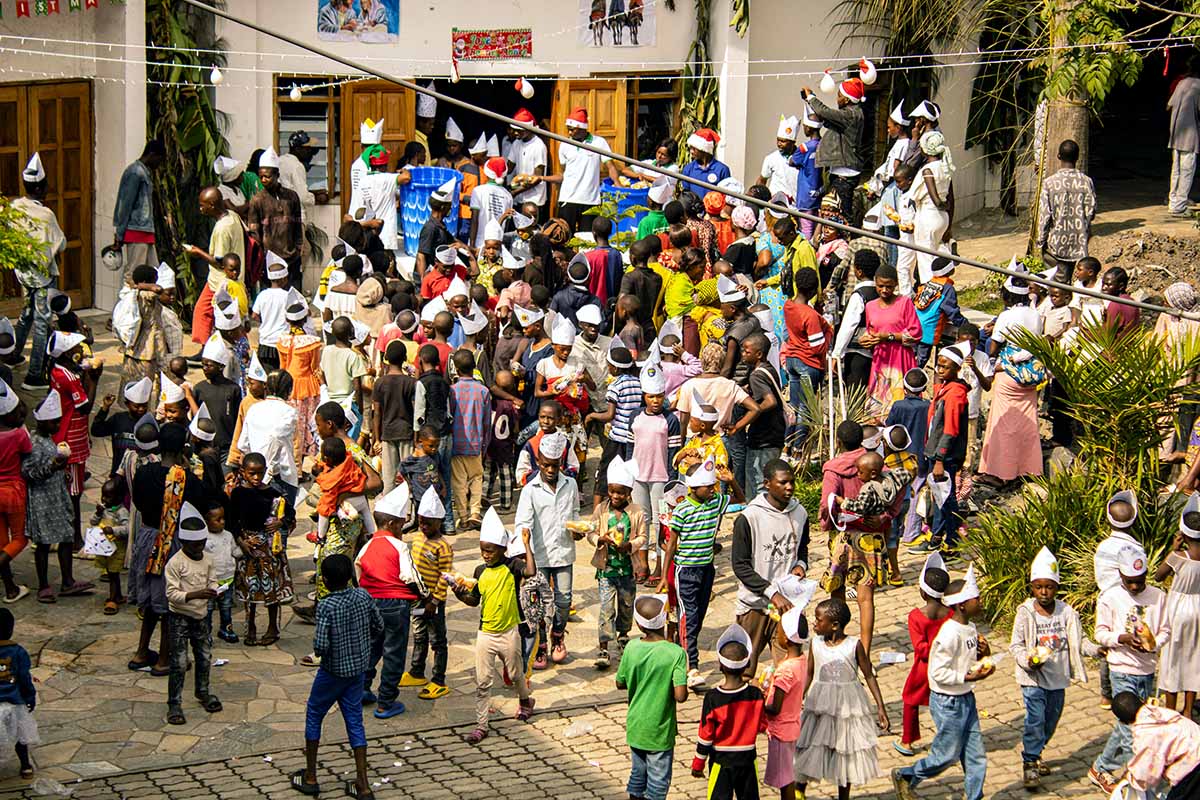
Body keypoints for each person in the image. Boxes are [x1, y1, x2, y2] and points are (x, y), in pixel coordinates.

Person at [891, 566, 993, 800]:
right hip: (948, 701)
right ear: (962, 605)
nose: (980, 602)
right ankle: (908, 775)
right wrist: (968, 677)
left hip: (966, 697)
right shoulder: (948, 634)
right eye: (976, 599)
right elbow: (937, 673)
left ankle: (974, 796)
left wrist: (984, 654)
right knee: (946, 755)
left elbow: (969, 659)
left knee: (975, 753)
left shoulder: (970, 628)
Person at [294, 554, 381, 798]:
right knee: (354, 721)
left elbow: (321, 645)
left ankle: (310, 776)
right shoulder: (363, 596)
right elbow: (378, 626)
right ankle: (362, 784)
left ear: (327, 580)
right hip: (357, 671)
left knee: (314, 714)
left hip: (332, 671)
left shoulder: (327, 605)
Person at [1089, 543, 1171, 793]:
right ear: (1120, 576)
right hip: (1121, 669)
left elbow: (1166, 630)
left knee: (1129, 723)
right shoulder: (1110, 597)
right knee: (1131, 731)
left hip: (1146, 671)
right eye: (1129, 581)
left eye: (1139, 581)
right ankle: (1143, 783)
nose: (1135, 587)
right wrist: (1122, 639)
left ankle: (1100, 767)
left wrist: (1154, 643)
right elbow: (1100, 633)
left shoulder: (1158, 597)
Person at [450, 508, 537, 744]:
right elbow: (474, 600)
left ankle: (525, 700)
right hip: (486, 634)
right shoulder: (480, 571)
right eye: (483, 550)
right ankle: (481, 725)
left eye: (490, 550)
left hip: (509, 632)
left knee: (517, 673)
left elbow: (531, 571)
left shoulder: (512, 566)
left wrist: (527, 545)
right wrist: (459, 594)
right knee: (483, 681)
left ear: (502, 549)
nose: (486, 555)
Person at [1005, 547, 1087, 789]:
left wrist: (1099, 650)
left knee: (1050, 721)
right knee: (1034, 720)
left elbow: (1079, 641)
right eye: (1039, 587)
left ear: (1057, 588)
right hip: (1033, 680)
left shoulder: (1066, 613)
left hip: (1058, 678)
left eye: (1049, 587)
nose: (1044, 592)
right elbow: (1016, 645)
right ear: (1032, 587)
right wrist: (1027, 660)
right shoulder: (1025, 613)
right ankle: (1029, 762)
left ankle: (1038, 751)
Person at [659, 459, 744, 689]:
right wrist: (664, 578)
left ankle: (680, 652)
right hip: (685, 570)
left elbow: (739, 499)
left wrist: (732, 481)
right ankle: (691, 667)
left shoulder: (715, 502)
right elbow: (671, 545)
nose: (713, 490)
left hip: (707, 568)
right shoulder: (682, 510)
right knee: (689, 617)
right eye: (709, 486)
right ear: (694, 488)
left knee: (699, 616)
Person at [793, 598, 889, 800]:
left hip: (848, 706)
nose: (814, 624)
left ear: (834, 625)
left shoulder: (854, 646)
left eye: (819, 620)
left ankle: (843, 795)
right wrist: (799, 698)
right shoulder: (815, 644)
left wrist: (880, 707)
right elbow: (809, 673)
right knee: (810, 744)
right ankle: (799, 790)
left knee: (846, 750)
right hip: (819, 704)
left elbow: (868, 674)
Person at [731, 458, 809, 677]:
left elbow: (802, 549)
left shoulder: (800, 513)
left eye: (792, 482)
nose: (790, 487)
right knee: (744, 670)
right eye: (783, 482)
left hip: (787, 606)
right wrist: (771, 593)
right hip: (754, 605)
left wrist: (801, 565)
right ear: (767, 483)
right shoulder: (749, 518)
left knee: (787, 669)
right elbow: (740, 566)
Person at [355, 484, 424, 720]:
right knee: (394, 652)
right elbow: (410, 576)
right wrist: (423, 594)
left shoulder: (366, 546)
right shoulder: (400, 546)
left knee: (371, 647)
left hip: (370, 602)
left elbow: (358, 571)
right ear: (394, 524)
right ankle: (386, 701)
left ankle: (362, 689)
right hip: (395, 604)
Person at [514, 432, 580, 667]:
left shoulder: (570, 485)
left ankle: (558, 635)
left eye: (555, 466)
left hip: (563, 552)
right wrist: (524, 544)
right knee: (540, 604)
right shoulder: (530, 490)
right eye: (546, 465)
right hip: (539, 556)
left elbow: (574, 515)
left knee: (563, 601)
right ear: (539, 463)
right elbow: (523, 522)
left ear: (561, 463)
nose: (550, 470)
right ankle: (541, 645)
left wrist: (577, 530)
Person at [615, 594, 689, 800]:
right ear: (664, 620)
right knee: (658, 781)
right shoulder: (675, 653)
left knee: (638, 775)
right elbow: (680, 695)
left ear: (639, 624)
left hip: (636, 725)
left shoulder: (631, 647)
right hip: (660, 729)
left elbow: (620, 682)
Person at [978, 275, 1044, 487]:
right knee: (1027, 422)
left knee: (1004, 423)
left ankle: (1001, 473)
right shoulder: (1035, 315)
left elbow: (995, 344)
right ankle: (1028, 468)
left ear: (1007, 296)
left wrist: (991, 361)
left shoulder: (1007, 316)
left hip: (1009, 373)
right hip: (1030, 374)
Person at [689, 624, 766, 799]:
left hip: (721, 760)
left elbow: (705, 735)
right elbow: (762, 725)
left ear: (720, 666)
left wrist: (698, 763)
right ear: (746, 664)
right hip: (748, 758)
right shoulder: (755, 694)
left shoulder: (713, 698)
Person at [9, 153, 65, 390]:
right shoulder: (46, 214)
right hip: (42, 277)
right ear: (42, 186)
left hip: (23, 273)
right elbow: (59, 243)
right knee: (42, 322)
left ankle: (12, 354)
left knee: (26, 314)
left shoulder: (15, 207)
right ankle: (34, 376)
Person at [26, 392, 88, 603]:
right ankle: (43, 585)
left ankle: (68, 581)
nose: (58, 425)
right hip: (42, 499)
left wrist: (63, 471)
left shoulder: (51, 441)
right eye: (55, 422)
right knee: (43, 543)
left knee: (66, 537)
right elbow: (29, 473)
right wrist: (52, 466)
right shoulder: (34, 444)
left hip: (58, 497)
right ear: (43, 422)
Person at [228, 452, 295, 647]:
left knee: (271, 587)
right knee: (249, 589)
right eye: (252, 474)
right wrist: (241, 542)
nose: (256, 478)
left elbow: (290, 511)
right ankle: (250, 625)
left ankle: (273, 626)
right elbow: (232, 521)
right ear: (244, 472)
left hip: (269, 548)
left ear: (265, 471)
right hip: (248, 546)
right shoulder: (238, 493)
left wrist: (280, 522)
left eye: (259, 473)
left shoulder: (272, 492)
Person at [163, 502, 220, 725]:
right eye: (195, 545)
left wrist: (213, 591)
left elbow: (213, 580)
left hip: (201, 615)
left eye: (201, 544)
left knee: (204, 656)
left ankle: (202, 691)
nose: (199, 548)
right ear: (184, 542)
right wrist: (196, 594)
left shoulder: (207, 559)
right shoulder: (175, 563)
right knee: (178, 661)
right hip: (179, 616)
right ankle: (174, 703)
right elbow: (171, 594)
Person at [588, 456, 648, 669]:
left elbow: (642, 536)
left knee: (626, 605)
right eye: (612, 491)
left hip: (627, 568)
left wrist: (629, 546)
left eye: (620, 492)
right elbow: (591, 531)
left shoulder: (637, 512)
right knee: (606, 608)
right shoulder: (601, 510)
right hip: (607, 570)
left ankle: (623, 636)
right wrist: (599, 540)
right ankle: (603, 646)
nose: (615, 496)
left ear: (628, 493)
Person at [400, 486, 453, 700]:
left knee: (437, 640)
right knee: (419, 635)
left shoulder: (443, 547)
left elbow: (445, 575)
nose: (423, 526)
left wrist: (435, 600)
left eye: (427, 523)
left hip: (433, 601)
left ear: (439, 522)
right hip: (417, 598)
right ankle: (417, 671)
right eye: (420, 521)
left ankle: (438, 679)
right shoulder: (418, 539)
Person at [917, 345, 970, 555]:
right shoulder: (946, 388)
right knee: (939, 498)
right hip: (936, 451)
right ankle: (938, 536)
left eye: (944, 367)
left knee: (947, 500)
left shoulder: (955, 394)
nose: (939, 370)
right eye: (938, 366)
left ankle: (953, 541)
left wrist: (939, 458)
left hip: (945, 455)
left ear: (956, 368)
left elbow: (950, 429)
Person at [897, 554, 950, 757]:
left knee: (910, 699)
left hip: (923, 667)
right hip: (946, 664)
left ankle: (908, 740)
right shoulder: (951, 613)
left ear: (922, 591)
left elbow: (920, 647)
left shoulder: (917, 616)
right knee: (945, 702)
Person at [540, 108, 619, 232]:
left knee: (587, 240)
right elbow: (563, 173)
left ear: (582, 128)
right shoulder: (565, 145)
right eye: (568, 129)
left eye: (572, 129)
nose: (570, 133)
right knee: (565, 237)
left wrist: (618, 185)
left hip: (591, 200)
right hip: (568, 199)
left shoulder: (599, 143)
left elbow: (610, 166)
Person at [1112, 691, 1200, 798]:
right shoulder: (1158, 711)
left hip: (1193, 767)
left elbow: (1145, 775)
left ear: (1123, 722)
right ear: (1141, 700)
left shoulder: (1145, 734)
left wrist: (1129, 778)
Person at [1158, 498, 1200, 719]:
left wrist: (1173, 550)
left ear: (1183, 534)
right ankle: (1188, 709)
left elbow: (1159, 574)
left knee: (1172, 658)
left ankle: (1170, 708)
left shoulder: (1179, 557)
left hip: (1178, 610)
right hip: (1198, 608)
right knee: (1194, 657)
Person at [862, 264, 921, 416]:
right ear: (875, 283)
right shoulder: (870, 307)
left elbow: (915, 334)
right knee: (878, 407)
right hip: (880, 361)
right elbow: (872, 332)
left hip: (901, 359)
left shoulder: (905, 303)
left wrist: (889, 336)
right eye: (880, 286)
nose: (884, 290)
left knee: (901, 401)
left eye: (889, 286)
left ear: (896, 284)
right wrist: (867, 340)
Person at [802, 79, 865, 218]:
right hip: (842, 173)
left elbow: (825, 112)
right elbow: (826, 116)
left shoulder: (851, 115)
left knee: (841, 213)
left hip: (845, 175)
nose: (837, 99)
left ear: (847, 99)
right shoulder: (851, 113)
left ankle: (846, 238)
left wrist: (811, 97)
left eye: (839, 95)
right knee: (836, 211)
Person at [247, 147, 304, 289]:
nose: (264, 179)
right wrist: (261, 258)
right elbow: (254, 232)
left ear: (277, 175)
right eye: (261, 176)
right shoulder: (257, 200)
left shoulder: (291, 196)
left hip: (292, 258)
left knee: (293, 300)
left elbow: (297, 223)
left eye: (267, 176)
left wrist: (298, 247)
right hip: (270, 260)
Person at [1037, 139, 1096, 271]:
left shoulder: (1049, 183)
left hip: (1055, 245)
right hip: (1079, 244)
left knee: (1056, 285)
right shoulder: (1087, 182)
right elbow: (1091, 211)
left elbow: (1045, 217)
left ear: (1058, 156)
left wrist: (1041, 241)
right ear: (1077, 157)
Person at [450, 349, 492, 531]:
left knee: (459, 482)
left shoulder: (451, 391)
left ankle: (463, 516)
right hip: (476, 443)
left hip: (456, 444)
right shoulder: (483, 391)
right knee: (476, 478)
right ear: (474, 367)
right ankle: (475, 512)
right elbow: (487, 422)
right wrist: (485, 443)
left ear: (456, 369)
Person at [113, 140, 165, 278]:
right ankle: (125, 299)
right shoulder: (135, 173)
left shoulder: (144, 172)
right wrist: (119, 234)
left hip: (146, 231)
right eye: (159, 160)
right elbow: (125, 204)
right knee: (133, 274)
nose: (159, 165)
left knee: (154, 273)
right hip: (137, 231)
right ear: (152, 155)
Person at [909, 131, 955, 285]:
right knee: (935, 256)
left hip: (929, 216)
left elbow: (920, 196)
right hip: (942, 218)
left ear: (924, 149)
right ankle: (941, 288)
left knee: (925, 260)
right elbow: (950, 197)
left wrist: (941, 204)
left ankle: (930, 294)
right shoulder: (945, 168)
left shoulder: (927, 170)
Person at [0, 608, 37, 779]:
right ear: (11, 629)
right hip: (14, 702)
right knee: (20, 735)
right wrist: (29, 697)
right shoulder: (18, 652)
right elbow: (24, 677)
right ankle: (25, 765)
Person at [1167, 57, 1200, 216]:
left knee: (1177, 170)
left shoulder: (1181, 83)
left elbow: (1169, 105)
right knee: (1187, 171)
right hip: (1190, 136)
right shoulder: (1198, 86)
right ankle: (1179, 206)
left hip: (1176, 134)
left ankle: (1174, 202)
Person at [505, 109, 549, 219]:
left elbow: (537, 178)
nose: (515, 133)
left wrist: (515, 191)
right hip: (519, 198)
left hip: (534, 200)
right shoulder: (516, 143)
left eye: (519, 130)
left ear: (528, 129)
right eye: (514, 130)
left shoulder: (538, 146)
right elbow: (509, 167)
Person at [278, 130, 318, 225]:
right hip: (295, 217)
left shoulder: (280, 161)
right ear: (297, 149)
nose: (309, 151)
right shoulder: (297, 166)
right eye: (307, 148)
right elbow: (303, 197)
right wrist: (314, 197)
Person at [679, 128, 732, 197]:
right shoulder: (688, 169)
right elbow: (686, 194)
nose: (691, 152)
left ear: (704, 150)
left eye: (694, 149)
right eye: (690, 148)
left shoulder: (722, 169)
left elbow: (727, 195)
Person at [758, 116, 800, 202]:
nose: (779, 144)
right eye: (778, 140)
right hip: (775, 204)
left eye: (783, 141)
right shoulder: (771, 158)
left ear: (792, 142)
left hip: (795, 205)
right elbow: (762, 180)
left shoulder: (802, 158)